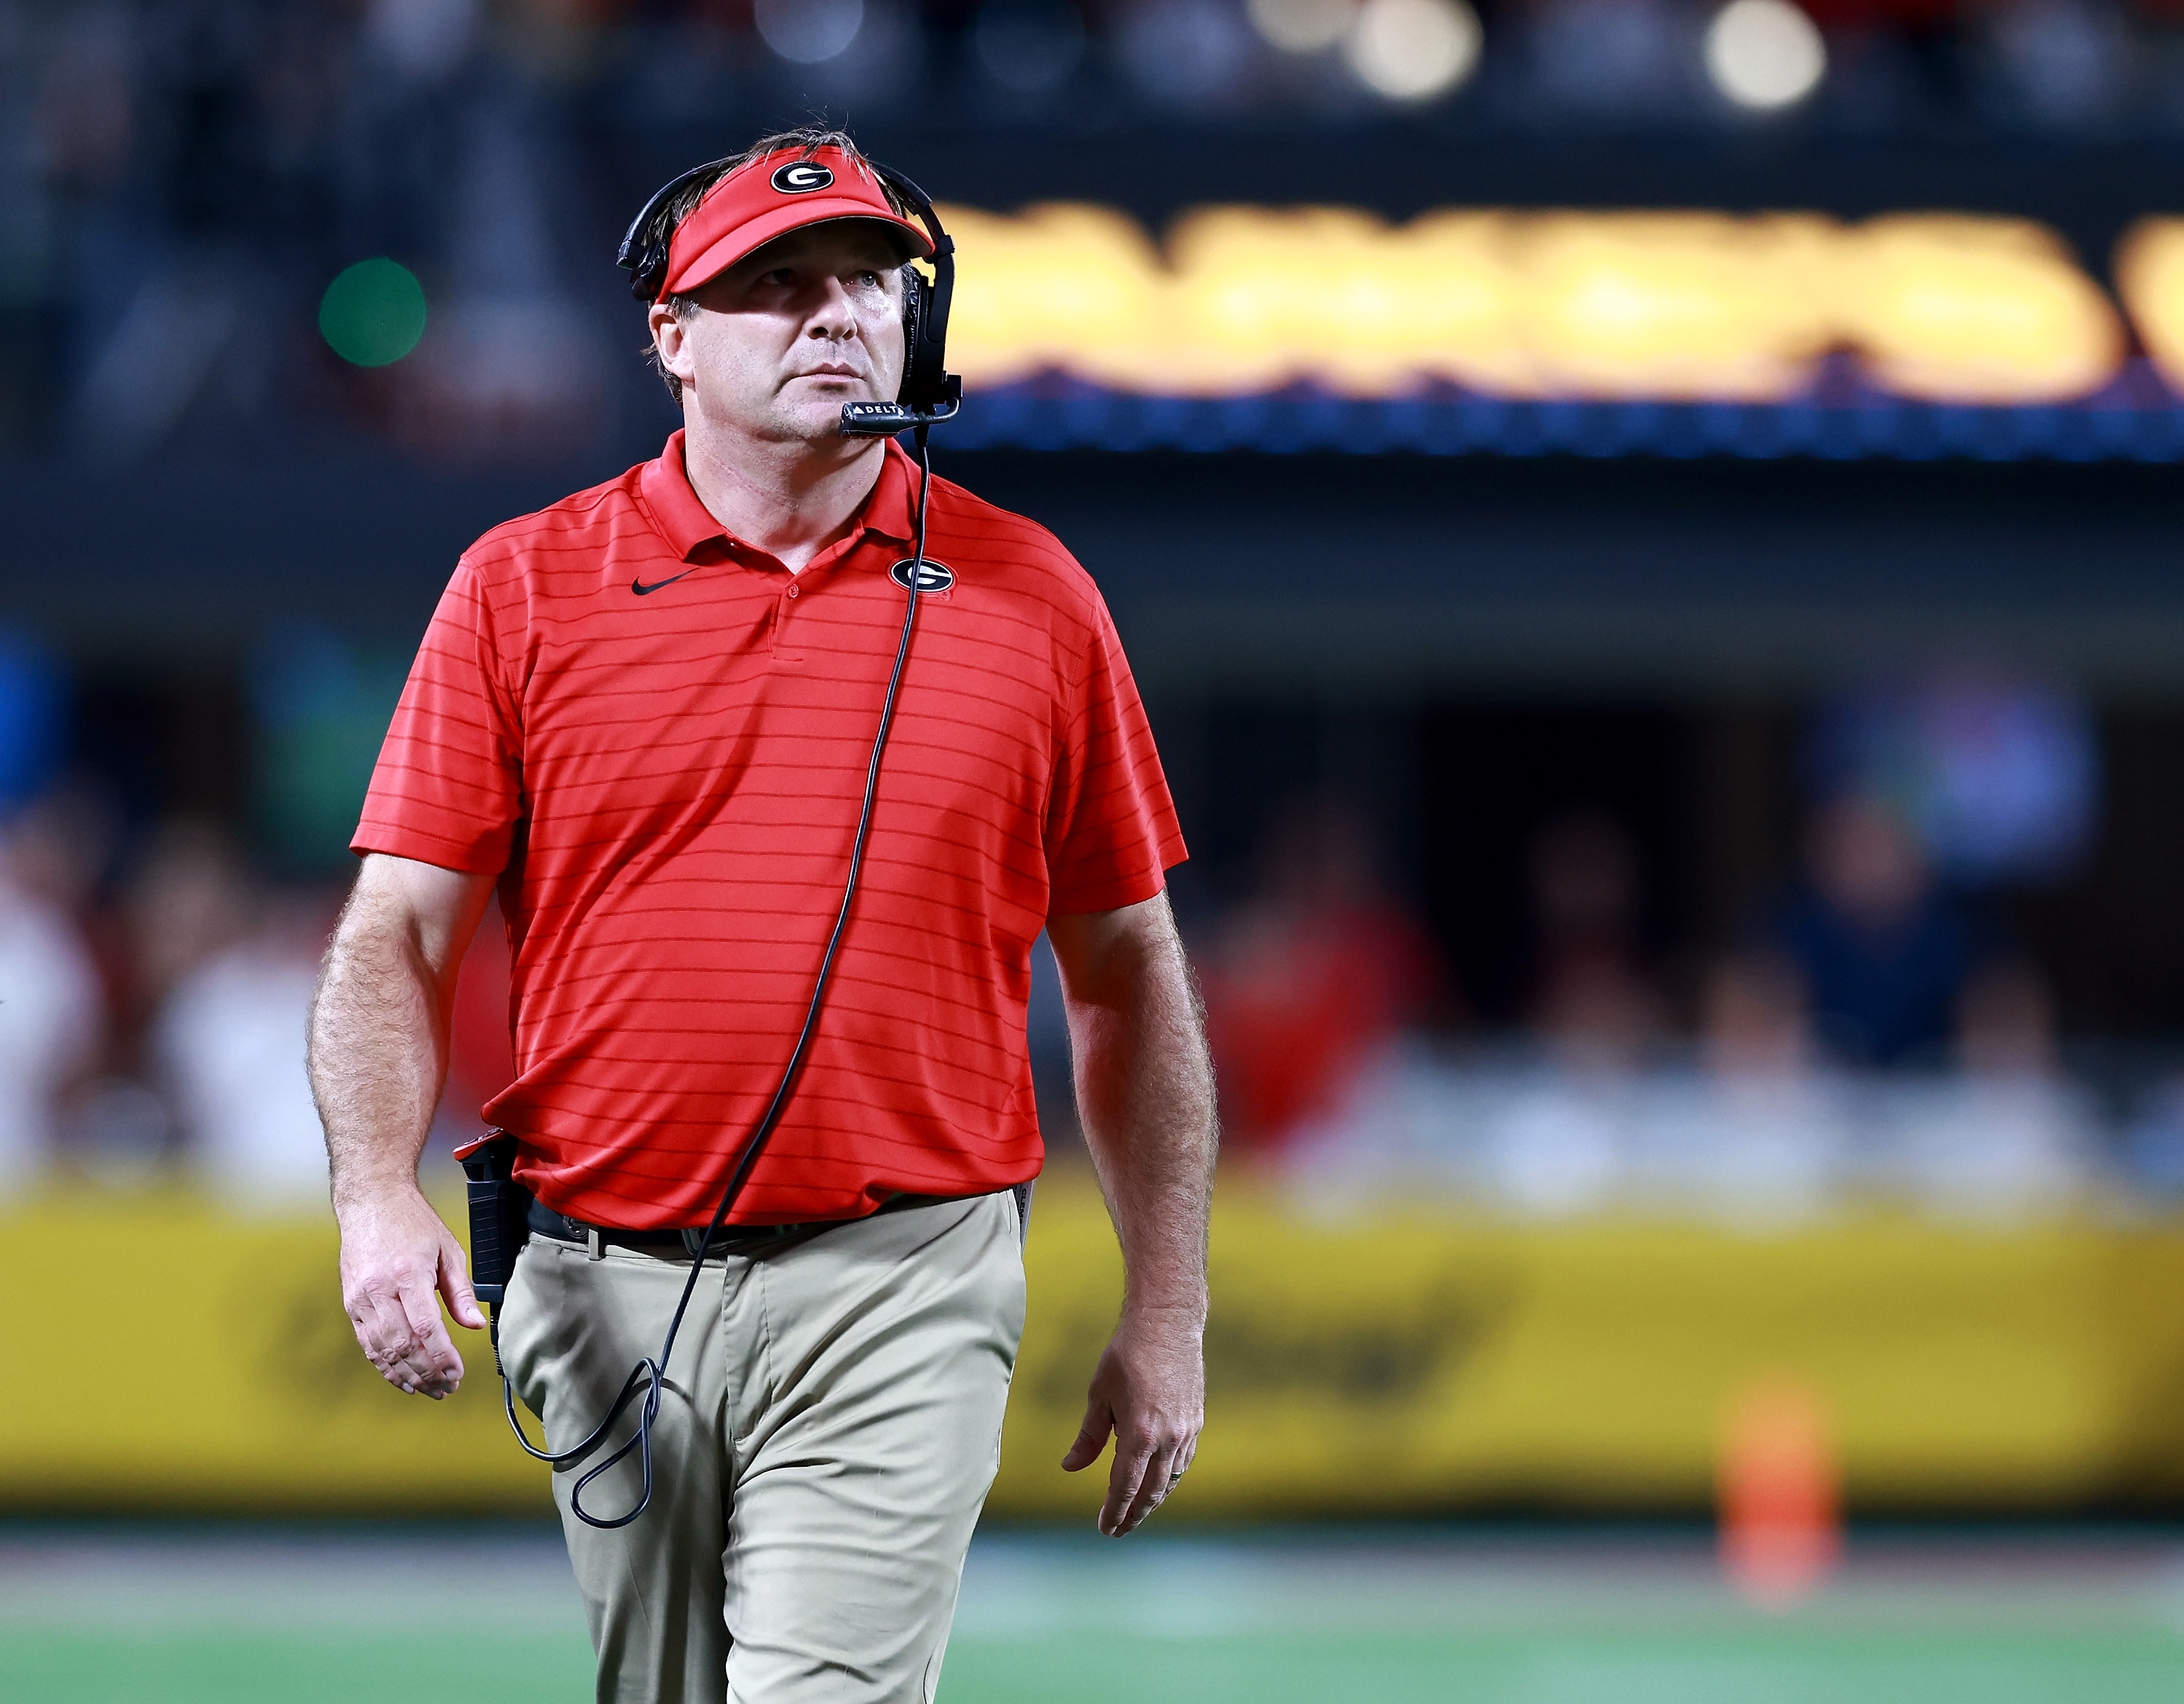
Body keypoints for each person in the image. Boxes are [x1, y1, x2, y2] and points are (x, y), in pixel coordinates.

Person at [307, 128, 1216, 1704]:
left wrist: (1171, 1305)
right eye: (774, 285)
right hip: (598, 1281)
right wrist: (373, 1196)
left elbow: (1130, 971)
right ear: (672, 336)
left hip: (901, 1275)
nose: (835, 313)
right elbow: (394, 930)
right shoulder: (522, 588)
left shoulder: (1034, 595)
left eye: (866, 278)